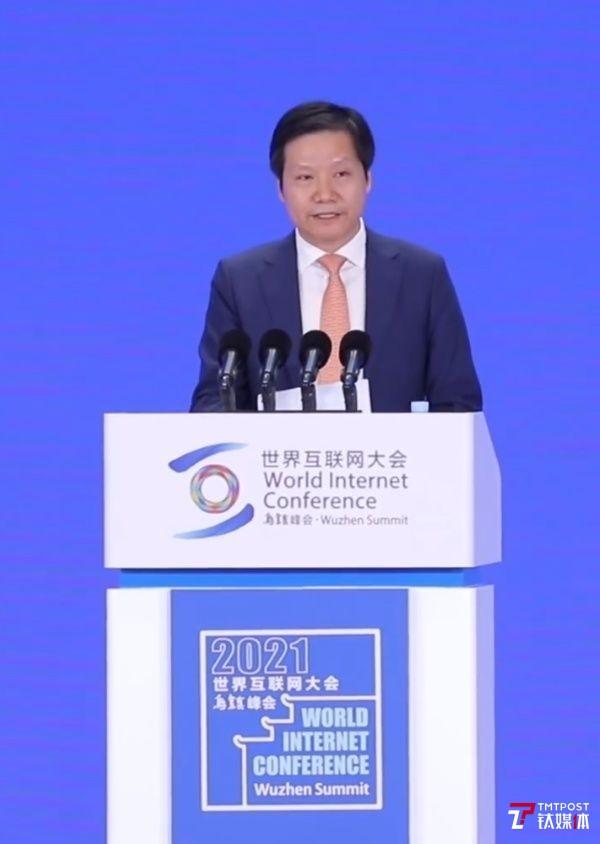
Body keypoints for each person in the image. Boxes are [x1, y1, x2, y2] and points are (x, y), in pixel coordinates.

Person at [190, 101, 482, 412]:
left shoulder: (421, 275)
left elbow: (458, 403)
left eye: (341, 174)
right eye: (305, 178)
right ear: (281, 189)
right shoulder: (240, 281)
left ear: (367, 179)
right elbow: (214, 402)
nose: (325, 194)